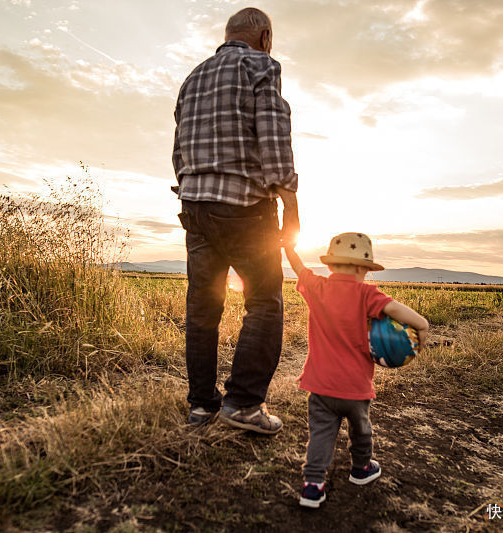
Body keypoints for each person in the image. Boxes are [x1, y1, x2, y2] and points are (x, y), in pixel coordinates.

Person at [172, 7, 299, 434]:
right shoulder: (261, 65)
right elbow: (275, 138)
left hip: (196, 207)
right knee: (264, 301)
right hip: (244, 208)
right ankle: (243, 404)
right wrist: (291, 208)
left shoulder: (193, 77)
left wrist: (192, 192)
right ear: (264, 36)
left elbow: (178, 150)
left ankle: (202, 407)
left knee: (202, 307)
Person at [283, 233, 429, 508]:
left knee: (321, 435)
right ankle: (361, 468)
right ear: (363, 269)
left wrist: (289, 248)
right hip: (355, 387)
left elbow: (298, 268)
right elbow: (395, 309)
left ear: (330, 265)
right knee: (361, 430)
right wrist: (421, 325)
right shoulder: (366, 293)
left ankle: (312, 486)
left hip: (320, 385)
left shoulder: (318, 288)